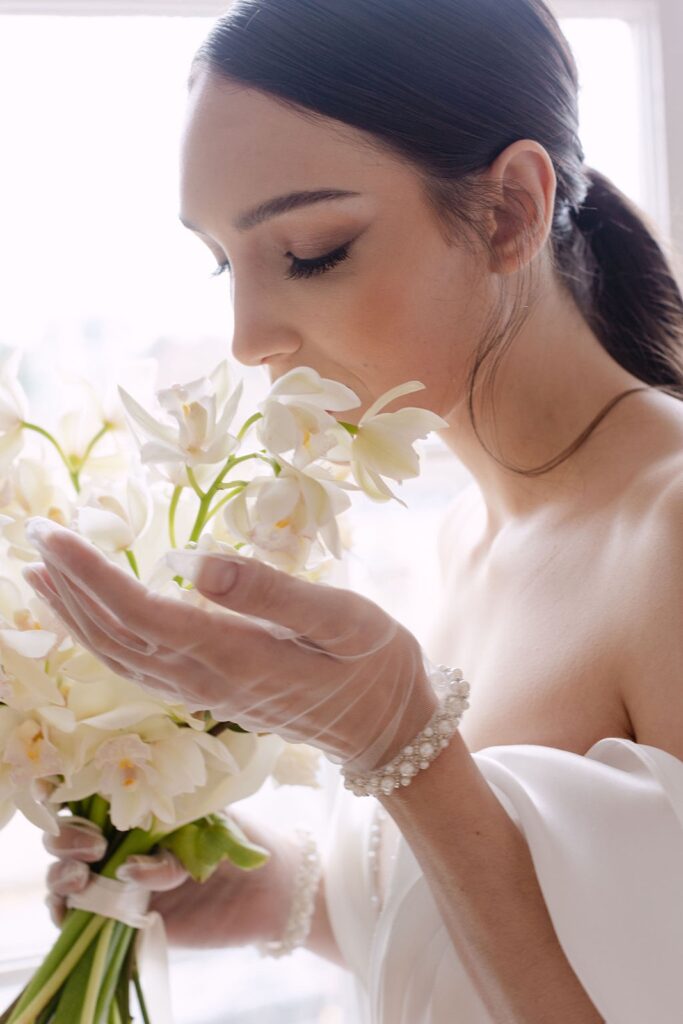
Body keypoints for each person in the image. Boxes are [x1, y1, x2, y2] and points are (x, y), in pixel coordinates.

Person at [29, 0, 683, 1020]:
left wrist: (399, 743)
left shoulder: (670, 534)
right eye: (220, 261)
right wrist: (259, 890)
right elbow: (550, 927)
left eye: (310, 251)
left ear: (508, 209)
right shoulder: (460, 534)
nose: (246, 339)